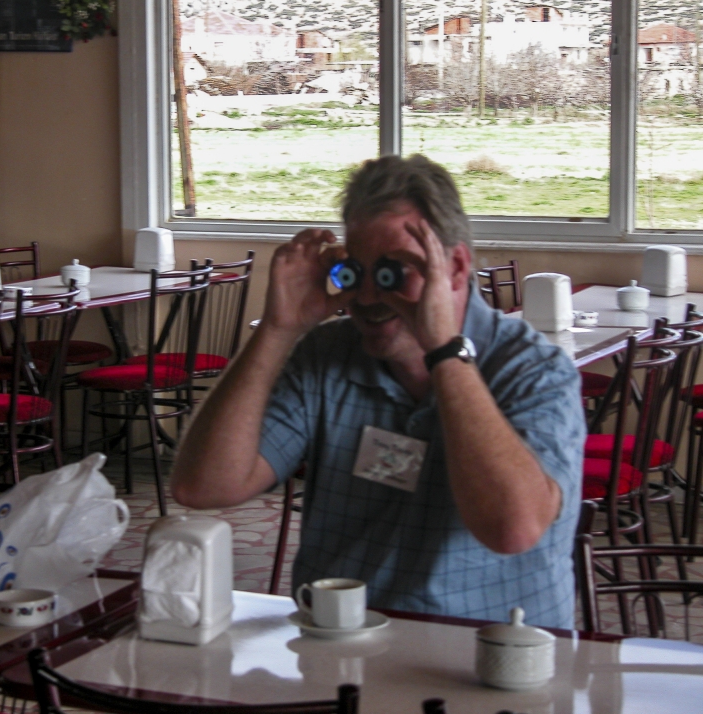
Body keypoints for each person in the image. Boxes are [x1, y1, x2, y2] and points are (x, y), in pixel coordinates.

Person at [171, 154, 584, 629]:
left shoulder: (534, 371)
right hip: (344, 645)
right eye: (356, 273)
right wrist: (279, 331)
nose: (368, 298)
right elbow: (201, 487)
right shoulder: (327, 357)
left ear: (454, 266)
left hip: (488, 658)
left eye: (394, 272)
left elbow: (513, 529)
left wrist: (444, 352)